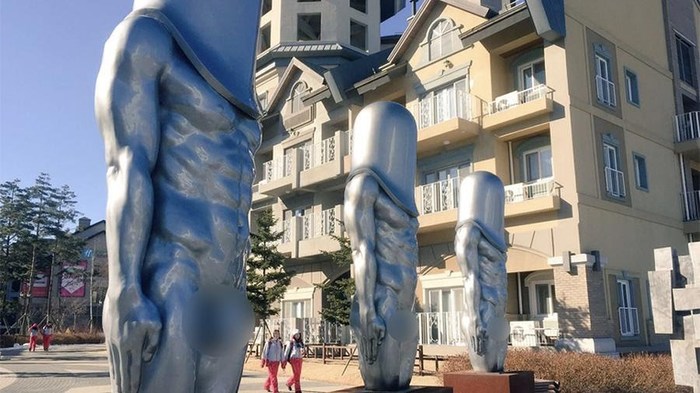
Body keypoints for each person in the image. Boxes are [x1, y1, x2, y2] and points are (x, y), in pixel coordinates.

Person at [94, 1, 261, 391]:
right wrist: (123, 286)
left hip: (230, 285)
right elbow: (125, 164)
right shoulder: (145, 37)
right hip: (173, 271)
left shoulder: (240, 76)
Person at [344, 102, 419, 391]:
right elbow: (360, 249)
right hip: (381, 299)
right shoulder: (363, 186)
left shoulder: (405, 199)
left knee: (402, 383)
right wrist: (367, 309)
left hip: (405, 303)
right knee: (384, 382)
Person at [454, 171, 509, 372]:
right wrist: (475, 318)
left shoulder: (497, 237)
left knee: (498, 370)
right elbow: (470, 277)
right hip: (481, 312)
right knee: (486, 369)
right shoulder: (469, 233)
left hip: (498, 311)